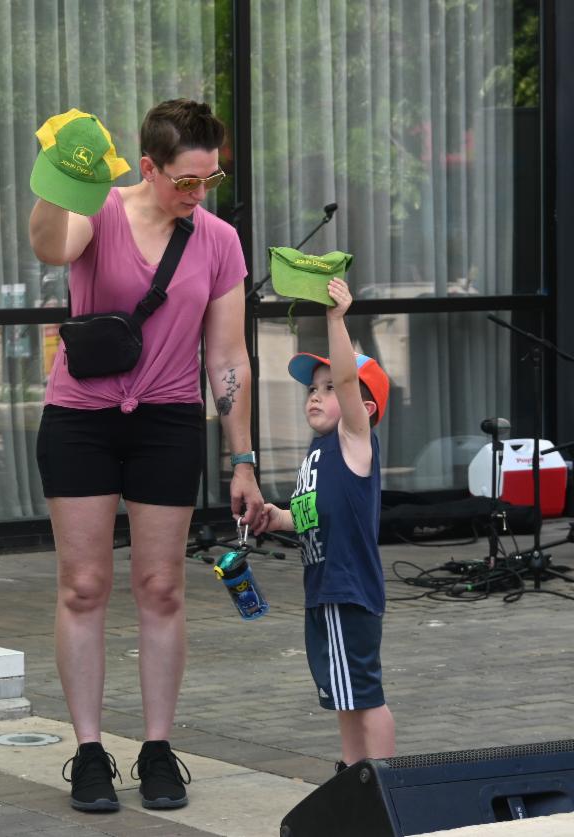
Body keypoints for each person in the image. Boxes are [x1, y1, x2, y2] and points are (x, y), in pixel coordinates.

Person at [28, 100, 263, 812]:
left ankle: (158, 749)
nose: (199, 193)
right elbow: (49, 246)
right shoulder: (99, 210)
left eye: (211, 180)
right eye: (187, 180)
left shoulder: (218, 241)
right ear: (149, 167)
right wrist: (59, 177)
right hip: (81, 418)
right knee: (84, 585)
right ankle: (89, 751)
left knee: (161, 586)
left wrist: (244, 459)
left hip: (166, 421)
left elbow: (228, 356)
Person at [251, 278, 396, 772]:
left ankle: (383, 783)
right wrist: (276, 518)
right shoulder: (319, 452)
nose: (316, 396)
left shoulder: (355, 440)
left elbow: (351, 381)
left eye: (330, 388)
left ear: (364, 410)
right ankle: (354, 775)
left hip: (346, 589)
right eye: (313, 388)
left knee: (365, 694)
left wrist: (336, 319)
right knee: (343, 693)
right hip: (324, 590)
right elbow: (310, 514)